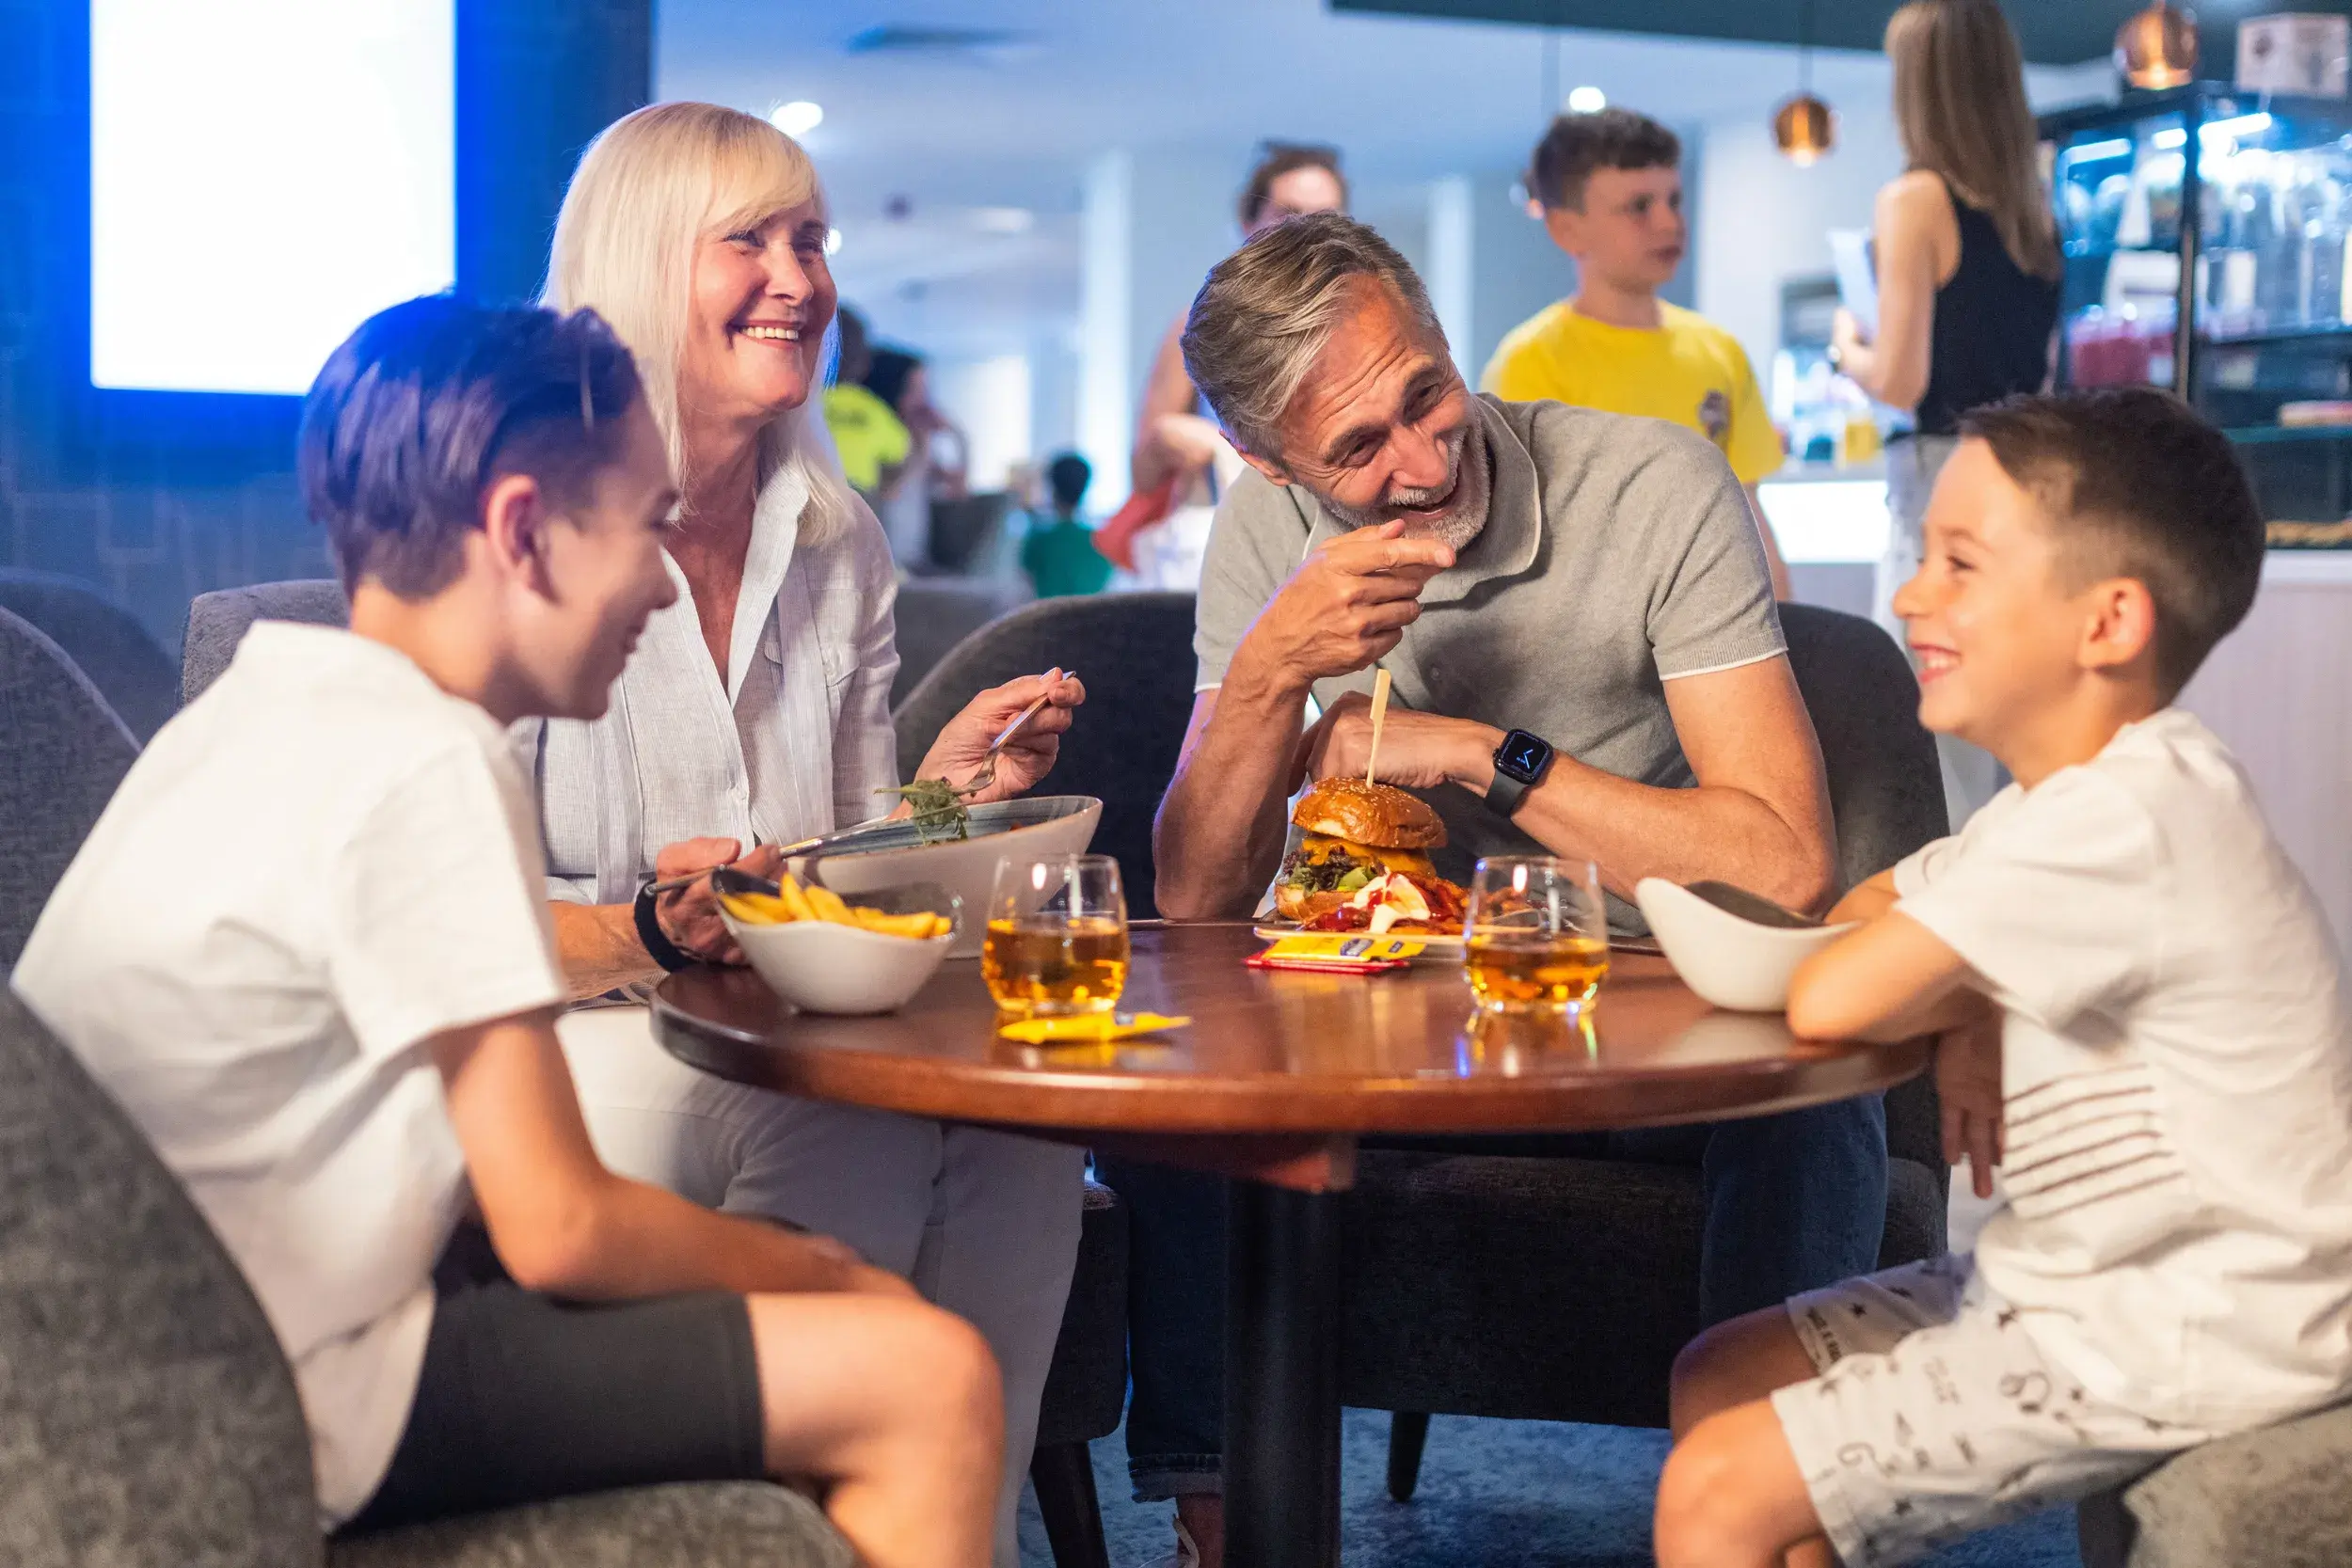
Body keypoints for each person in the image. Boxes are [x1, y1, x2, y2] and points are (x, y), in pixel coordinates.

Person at [10, 296, 1003, 1568]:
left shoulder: (253, 712)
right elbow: (562, 1224)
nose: (657, 578)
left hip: (134, 1367)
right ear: (525, 529)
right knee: (931, 1369)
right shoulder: (424, 755)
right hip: (289, 1386)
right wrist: (814, 1266)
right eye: (644, 528)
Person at [1120, 213, 1880, 1568]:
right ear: (1266, 461)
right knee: (1172, 1059)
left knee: (1815, 1093)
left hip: (1648, 1015)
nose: (1421, 460)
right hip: (1394, 1021)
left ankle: (1768, 1517)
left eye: (1426, 393)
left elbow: (1784, 861)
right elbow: (1196, 895)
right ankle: (1229, 1529)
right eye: (1358, 449)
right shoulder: (1263, 535)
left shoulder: (1651, 483)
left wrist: (1488, 757)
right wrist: (1266, 670)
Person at [1655, 388, 2352, 1568]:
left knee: (1713, 1492)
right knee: (1720, 1372)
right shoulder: (2056, 808)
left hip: (2209, 1317)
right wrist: (1968, 993)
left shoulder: (2129, 812)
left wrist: (1952, 982)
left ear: (2108, 621)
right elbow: (1861, 911)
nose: (1912, 592)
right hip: (2087, 1278)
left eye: (1960, 562)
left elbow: (1832, 992)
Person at [531, 102, 1086, 1568]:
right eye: (750, 242)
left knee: (1027, 1136)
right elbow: (438, 915)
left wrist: (951, 790)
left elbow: (839, 868)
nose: (799, 276)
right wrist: (652, 930)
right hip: (576, 1021)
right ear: (646, 264)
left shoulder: (836, 536)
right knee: (843, 1114)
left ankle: (942, 1532)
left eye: (811, 240)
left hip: (775, 1006)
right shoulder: (525, 520)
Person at [1831, 0, 2061, 825]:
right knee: (1990, 716)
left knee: (1917, 714)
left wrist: (1845, 346)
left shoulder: (1915, 200)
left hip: (1936, 481)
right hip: (2024, 483)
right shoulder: (2031, 208)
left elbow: (1898, 378)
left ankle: (1926, 927)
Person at [1483, 107, 1793, 599]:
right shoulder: (1532, 360)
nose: (1669, 221)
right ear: (1567, 229)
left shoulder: (1719, 350)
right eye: (1639, 206)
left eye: (1674, 199)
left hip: (1721, 612)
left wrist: (1783, 619)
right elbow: (1530, 537)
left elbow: (1748, 509)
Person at [1105, 144, 1349, 589]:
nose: (1307, 232)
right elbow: (1142, 469)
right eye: (1288, 213)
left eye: (1324, 216)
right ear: (1249, 221)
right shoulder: (1202, 322)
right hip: (1221, 558)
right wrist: (1181, 437)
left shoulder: (1360, 325)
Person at [866, 344, 969, 567]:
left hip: (915, 560)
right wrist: (921, 449)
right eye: (915, 390)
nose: (923, 400)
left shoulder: (922, 446)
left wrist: (957, 435)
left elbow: (958, 490)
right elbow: (889, 493)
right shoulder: (881, 439)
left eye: (925, 390)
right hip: (887, 560)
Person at [821, 305, 910, 503]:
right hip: (857, 497)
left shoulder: (802, 402)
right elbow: (900, 453)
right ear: (865, 361)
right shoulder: (871, 408)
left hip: (810, 490)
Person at [1020, 451, 1113, 598]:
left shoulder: (1039, 540)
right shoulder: (1103, 541)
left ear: (1053, 489)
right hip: (1092, 617)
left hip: (1047, 617)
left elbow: (1024, 583)